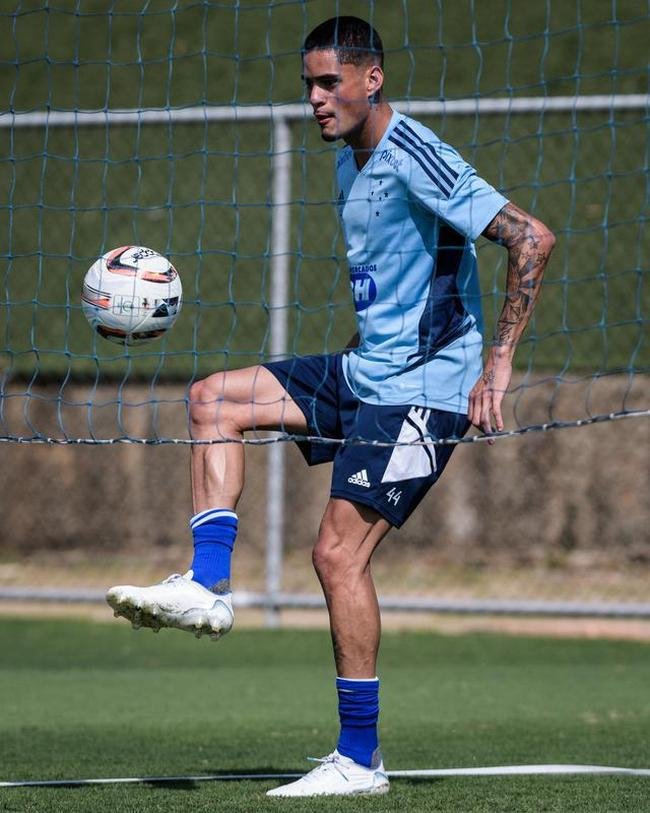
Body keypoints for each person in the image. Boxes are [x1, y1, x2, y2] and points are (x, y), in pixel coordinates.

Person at [107, 16, 555, 798]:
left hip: (423, 392)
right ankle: (207, 586)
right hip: (365, 371)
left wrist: (498, 363)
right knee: (213, 398)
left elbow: (530, 238)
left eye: (328, 83)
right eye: (308, 85)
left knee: (336, 554)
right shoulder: (350, 164)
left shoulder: (416, 153)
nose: (315, 99)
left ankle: (359, 760)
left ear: (371, 78)